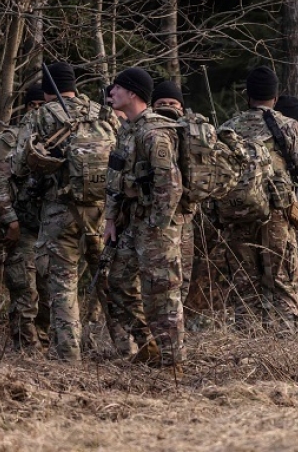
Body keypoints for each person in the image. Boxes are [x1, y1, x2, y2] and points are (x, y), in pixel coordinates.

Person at [13, 62, 119, 361]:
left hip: (60, 212)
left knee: (62, 286)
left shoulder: (41, 115)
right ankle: (128, 347)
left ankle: (69, 357)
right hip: (103, 212)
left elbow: (19, 165)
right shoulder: (104, 112)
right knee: (110, 280)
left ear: (47, 89)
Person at [216, 66, 298, 334]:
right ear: (275, 98)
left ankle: (248, 351)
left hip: (237, 216)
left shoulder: (227, 129)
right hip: (277, 215)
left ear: (247, 96)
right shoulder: (289, 127)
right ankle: (292, 352)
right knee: (283, 283)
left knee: (245, 287)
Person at [104, 67, 185, 371]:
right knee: (118, 282)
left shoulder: (155, 133)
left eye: (117, 88)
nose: (111, 93)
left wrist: (158, 228)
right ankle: (148, 343)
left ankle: (173, 363)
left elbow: (170, 186)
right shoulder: (128, 130)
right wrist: (111, 220)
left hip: (156, 227)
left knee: (161, 294)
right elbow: (115, 179)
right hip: (132, 224)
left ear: (133, 94)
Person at [0, 84, 50, 351]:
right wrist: (10, 220)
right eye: (35, 106)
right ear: (28, 108)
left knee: (50, 291)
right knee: (25, 288)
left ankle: (44, 344)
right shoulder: (13, 138)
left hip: (49, 227)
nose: (40, 112)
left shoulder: (60, 137)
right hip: (21, 224)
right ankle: (26, 349)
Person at [150, 81, 195, 305]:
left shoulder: (192, 134)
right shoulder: (147, 132)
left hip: (185, 214)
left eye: (172, 103)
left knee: (182, 275)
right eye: (161, 103)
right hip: (153, 216)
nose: (167, 107)